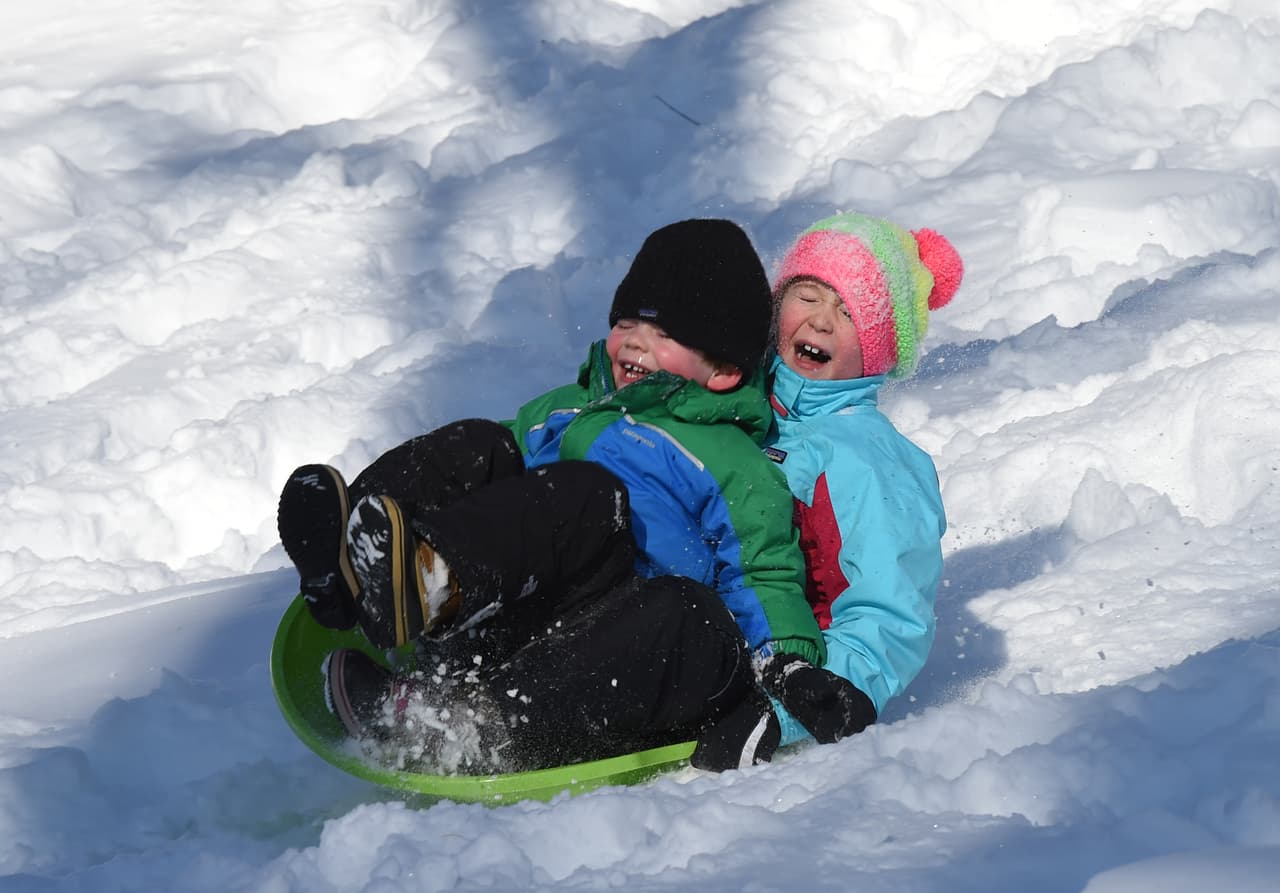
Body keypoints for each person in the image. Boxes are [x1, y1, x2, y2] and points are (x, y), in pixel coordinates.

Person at [276, 219, 825, 774]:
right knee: (485, 444)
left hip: (610, 651)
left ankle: (462, 719)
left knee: (644, 557)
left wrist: (788, 674)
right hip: (495, 615)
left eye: (666, 334)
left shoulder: (734, 462)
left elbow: (761, 575)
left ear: (726, 371)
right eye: (627, 322)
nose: (635, 341)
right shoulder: (567, 407)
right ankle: (362, 558)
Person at [740, 211, 963, 754]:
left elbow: (889, 614)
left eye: (849, 314)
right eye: (809, 295)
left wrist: (796, 707)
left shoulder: (869, 460)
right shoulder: (732, 397)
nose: (820, 321)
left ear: (875, 354)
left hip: (770, 674)